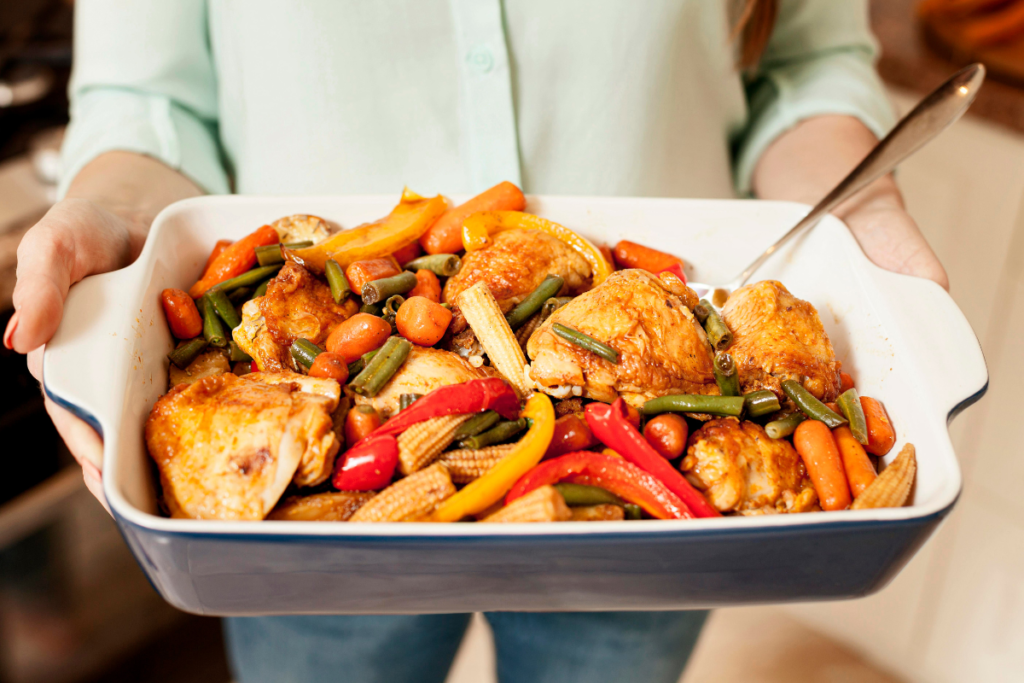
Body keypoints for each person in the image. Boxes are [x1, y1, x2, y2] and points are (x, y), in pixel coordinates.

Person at [5, 2, 948, 682]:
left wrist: (862, 206)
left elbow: (805, 72)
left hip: (649, 491)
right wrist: (111, 221)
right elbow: (148, 105)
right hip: (308, 544)